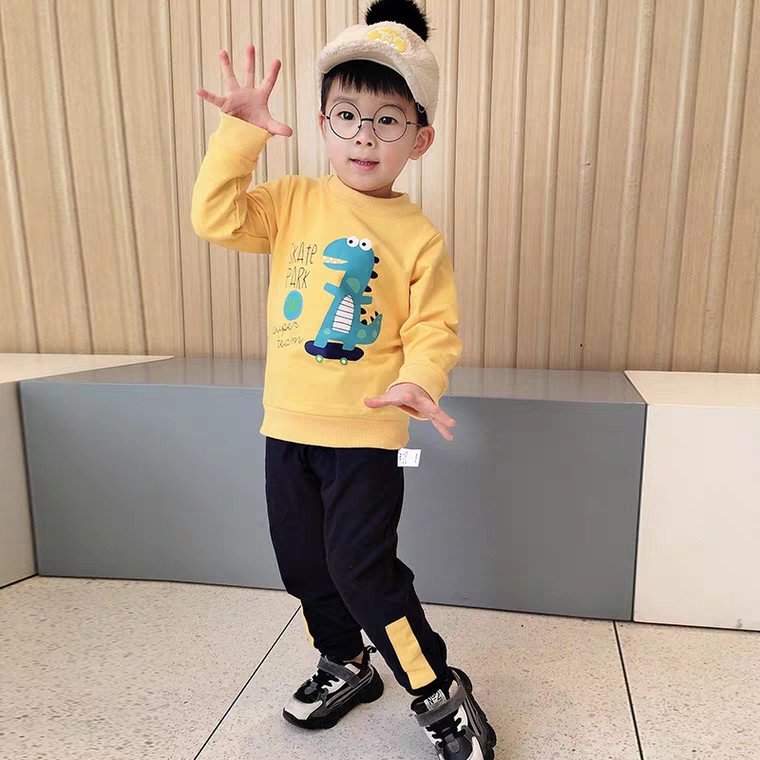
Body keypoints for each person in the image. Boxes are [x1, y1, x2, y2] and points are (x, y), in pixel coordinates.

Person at [192, 1, 497, 757]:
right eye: (348, 115)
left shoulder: (419, 238)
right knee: (304, 566)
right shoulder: (292, 202)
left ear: (420, 138)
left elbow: (434, 328)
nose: (365, 136)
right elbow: (216, 219)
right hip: (287, 427)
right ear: (323, 123)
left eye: (388, 121)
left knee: (364, 572)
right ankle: (346, 664)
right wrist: (240, 134)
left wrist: (419, 379)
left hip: (366, 434)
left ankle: (438, 691)